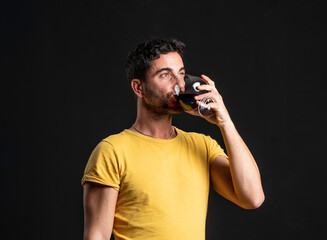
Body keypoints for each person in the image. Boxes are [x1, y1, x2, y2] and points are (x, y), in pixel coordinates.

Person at [81, 38, 265, 240]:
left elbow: (253, 198)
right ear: (138, 88)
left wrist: (225, 123)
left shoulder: (202, 146)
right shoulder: (112, 151)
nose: (179, 84)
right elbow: (96, 235)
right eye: (166, 75)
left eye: (181, 74)